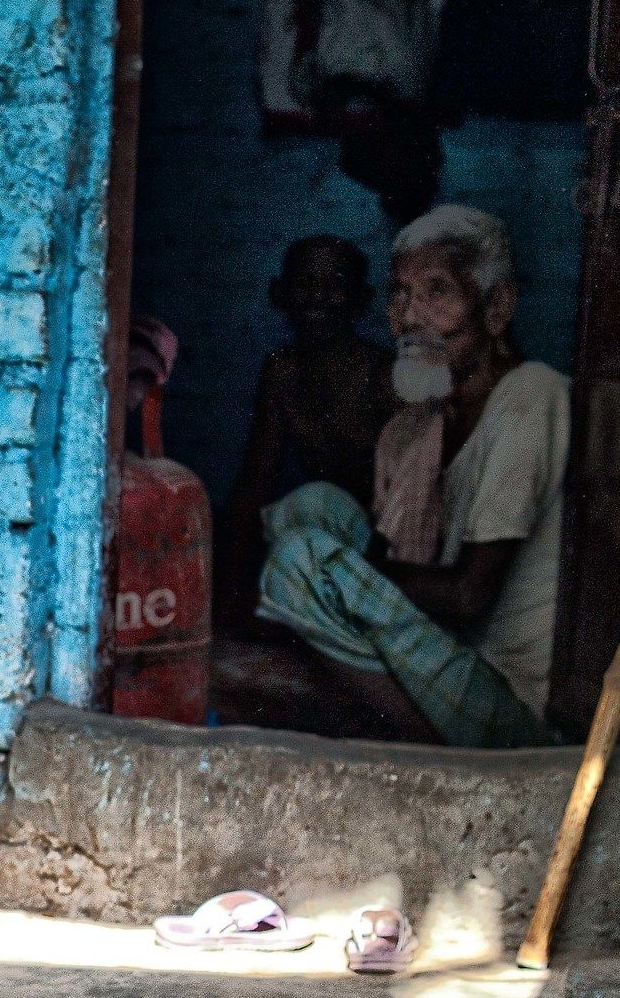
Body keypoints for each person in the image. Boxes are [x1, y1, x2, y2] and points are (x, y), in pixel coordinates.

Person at [255, 206, 569, 745]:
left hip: (503, 699)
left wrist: (347, 575)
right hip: (447, 653)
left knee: (303, 561)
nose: (411, 316)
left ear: (496, 308)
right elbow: (404, 565)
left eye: (437, 292)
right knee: (310, 508)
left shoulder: (530, 397)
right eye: (400, 294)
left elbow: (470, 596)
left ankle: (418, 745)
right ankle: (393, 713)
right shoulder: (415, 426)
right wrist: (354, 576)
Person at [216, 235, 392, 630]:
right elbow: (256, 481)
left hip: (387, 548)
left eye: (336, 285)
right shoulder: (283, 370)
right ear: (279, 294)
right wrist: (230, 594)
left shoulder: (381, 374)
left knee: (310, 507)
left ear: (361, 301)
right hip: (326, 540)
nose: (319, 297)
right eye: (306, 282)